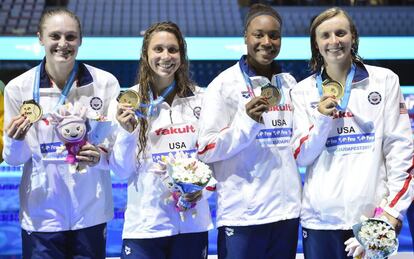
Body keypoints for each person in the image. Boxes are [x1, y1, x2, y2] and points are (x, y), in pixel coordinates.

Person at [291, 7, 413, 258]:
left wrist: (390, 213)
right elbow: (302, 157)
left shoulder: (384, 81)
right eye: (325, 35)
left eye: (340, 33)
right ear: (316, 43)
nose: (334, 41)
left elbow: (400, 149)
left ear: (353, 37)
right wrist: (322, 118)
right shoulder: (303, 91)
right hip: (320, 220)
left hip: (371, 218)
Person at [3, 8, 120, 258]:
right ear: (40, 38)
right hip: (41, 214)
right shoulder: (18, 88)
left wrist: (99, 157)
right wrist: (15, 140)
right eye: (55, 36)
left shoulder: (105, 83)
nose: (63, 44)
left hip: (90, 211)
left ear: (80, 39)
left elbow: (116, 151)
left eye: (71, 37)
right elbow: (14, 159)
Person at [197, 4, 301, 259]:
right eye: (259, 34)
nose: (267, 42)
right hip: (243, 215)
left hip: (286, 213)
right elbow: (205, 149)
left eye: (274, 35)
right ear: (245, 36)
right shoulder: (223, 85)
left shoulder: (289, 84)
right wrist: (246, 121)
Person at [109, 22, 213, 259]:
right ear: (146, 55)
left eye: (172, 49)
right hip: (145, 226)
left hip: (192, 224)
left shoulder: (202, 100)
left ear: (182, 55)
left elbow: (211, 159)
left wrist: (203, 190)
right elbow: (122, 171)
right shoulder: (127, 102)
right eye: (158, 49)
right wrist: (127, 133)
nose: (166, 56)